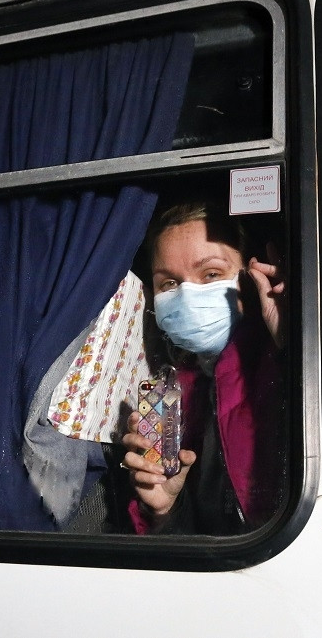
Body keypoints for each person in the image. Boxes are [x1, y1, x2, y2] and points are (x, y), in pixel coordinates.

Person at [121, 201, 287, 534]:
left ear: (247, 278)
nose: (186, 294)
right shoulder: (169, 392)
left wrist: (299, 338)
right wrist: (167, 509)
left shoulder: (285, 358)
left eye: (210, 274)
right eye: (168, 283)